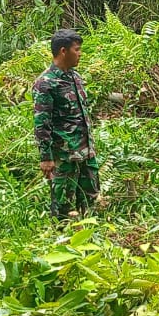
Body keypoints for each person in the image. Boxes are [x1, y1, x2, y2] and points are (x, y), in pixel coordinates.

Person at [34, 29, 99, 217]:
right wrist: (46, 157)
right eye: (77, 50)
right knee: (64, 208)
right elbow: (41, 123)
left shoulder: (75, 78)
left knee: (89, 202)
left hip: (86, 153)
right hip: (65, 157)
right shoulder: (46, 83)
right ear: (63, 51)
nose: (80, 54)